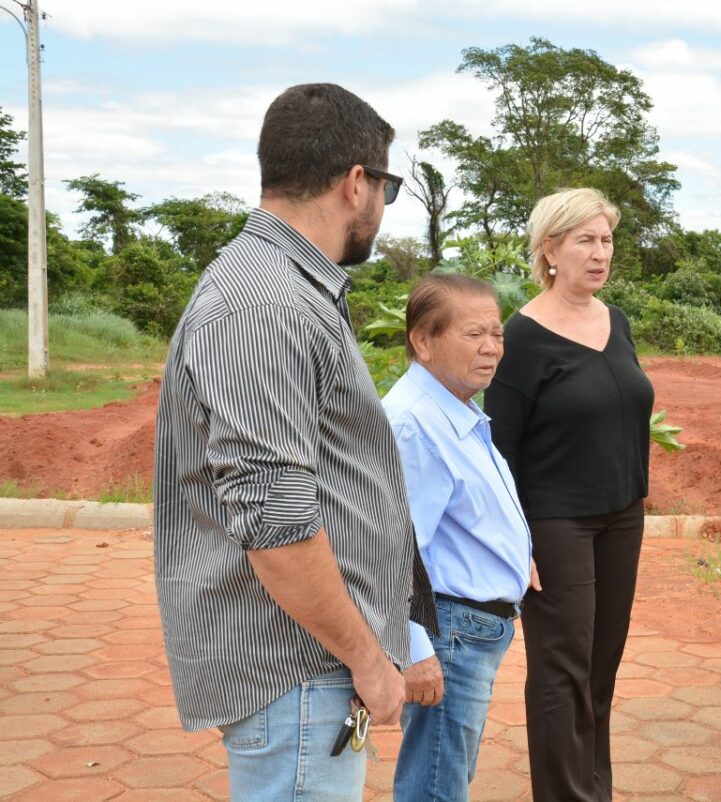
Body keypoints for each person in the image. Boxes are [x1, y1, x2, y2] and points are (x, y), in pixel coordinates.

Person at [153, 83, 436, 801]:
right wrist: (369, 662)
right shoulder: (266, 304)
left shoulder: (287, 290)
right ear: (354, 184)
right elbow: (278, 527)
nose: (380, 205)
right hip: (300, 672)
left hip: (308, 671)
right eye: (386, 186)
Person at [484, 187, 655, 802]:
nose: (599, 252)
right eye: (585, 240)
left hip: (621, 519)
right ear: (550, 249)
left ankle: (593, 790)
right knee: (562, 672)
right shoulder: (522, 338)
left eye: (606, 239)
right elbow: (499, 450)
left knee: (602, 667)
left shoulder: (617, 321)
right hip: (556, 525)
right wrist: (513, 539)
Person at [383, 274, 537, 802]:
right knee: (436, 787)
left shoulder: (456, 408)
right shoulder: (414, 423)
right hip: (447, 632)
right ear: (423, 342)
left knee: (446, 774)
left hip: (468, 628)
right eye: (474, 334)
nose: (492, 348)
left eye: (497, 333)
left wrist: (516, 558)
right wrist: (417, 650)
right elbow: (395, 552)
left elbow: (458, 516)